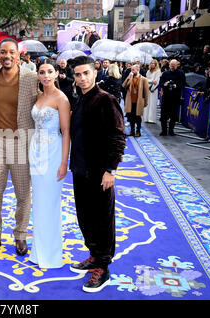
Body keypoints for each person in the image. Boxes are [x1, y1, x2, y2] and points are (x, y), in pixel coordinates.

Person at [69, 55, 126, 293]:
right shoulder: (80, 100)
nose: (82, 78)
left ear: (95, 73)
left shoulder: (106, 100)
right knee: (85, 216)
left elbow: (118, 136)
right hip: (80, 169)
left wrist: (110, 170)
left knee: (102, 218)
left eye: (86, 74)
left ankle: (103, 266)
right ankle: (93, 254)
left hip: (100, 171)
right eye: (78, 75)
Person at [0, 38, 38, 256]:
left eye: (11, 52)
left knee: (23, 193)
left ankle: (20, 234)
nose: (7, 56)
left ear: (19, 54)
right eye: (3, 52)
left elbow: (46, 100)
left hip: (21, 143)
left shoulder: (31, 78)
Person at [29, 59, 71, 269]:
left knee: (50, 203)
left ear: (56, 74)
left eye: (49, 72)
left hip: (53, 153)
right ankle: (38, 250)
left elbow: (66, 133)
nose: (46, 76)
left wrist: (64, 163)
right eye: (42, 72)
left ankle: (51, 254)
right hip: (35, 152)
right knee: (39, 203)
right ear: (38, 75)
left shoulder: (61, 99)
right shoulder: (39, 96)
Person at [159, 59, 186, 136]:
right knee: (163, 114)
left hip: (175, 97)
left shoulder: (181, 73)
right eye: (171, 66)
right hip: (166, 96)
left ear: (177, 65)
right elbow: (160, 83)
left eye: (173, 66)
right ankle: (164, 130)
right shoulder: (165, 73)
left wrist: (175, 86)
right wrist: (165, 84)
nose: (172, 67)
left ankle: (171, 130)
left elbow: (183, 84)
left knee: (173, 115)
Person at [122, 64, 149, 137]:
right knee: (131, 116)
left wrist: (146, 101)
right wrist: (128, 77)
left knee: (138, 117)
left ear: (138, 70)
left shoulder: (144, 79)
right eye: (131, 70)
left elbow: (146, 92)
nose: (132, 71)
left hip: (139, 101)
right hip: (130, 100)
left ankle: (138, 131)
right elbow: (123, 86)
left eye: (133, 70)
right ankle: (132, 130)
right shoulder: (130, 78)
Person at [143, 59, 161, 124]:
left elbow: (156, 81)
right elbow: (146, 80)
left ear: (156, 64)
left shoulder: (158, 71)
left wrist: (152, 87)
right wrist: (151, 81)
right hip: (147, 88)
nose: (152, 64)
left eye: (154, 63)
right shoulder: (148, 71)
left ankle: (151, 119)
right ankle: (146, 118)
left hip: (153, 89)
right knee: (147, 103)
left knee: (152, 104)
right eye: (151, 63)